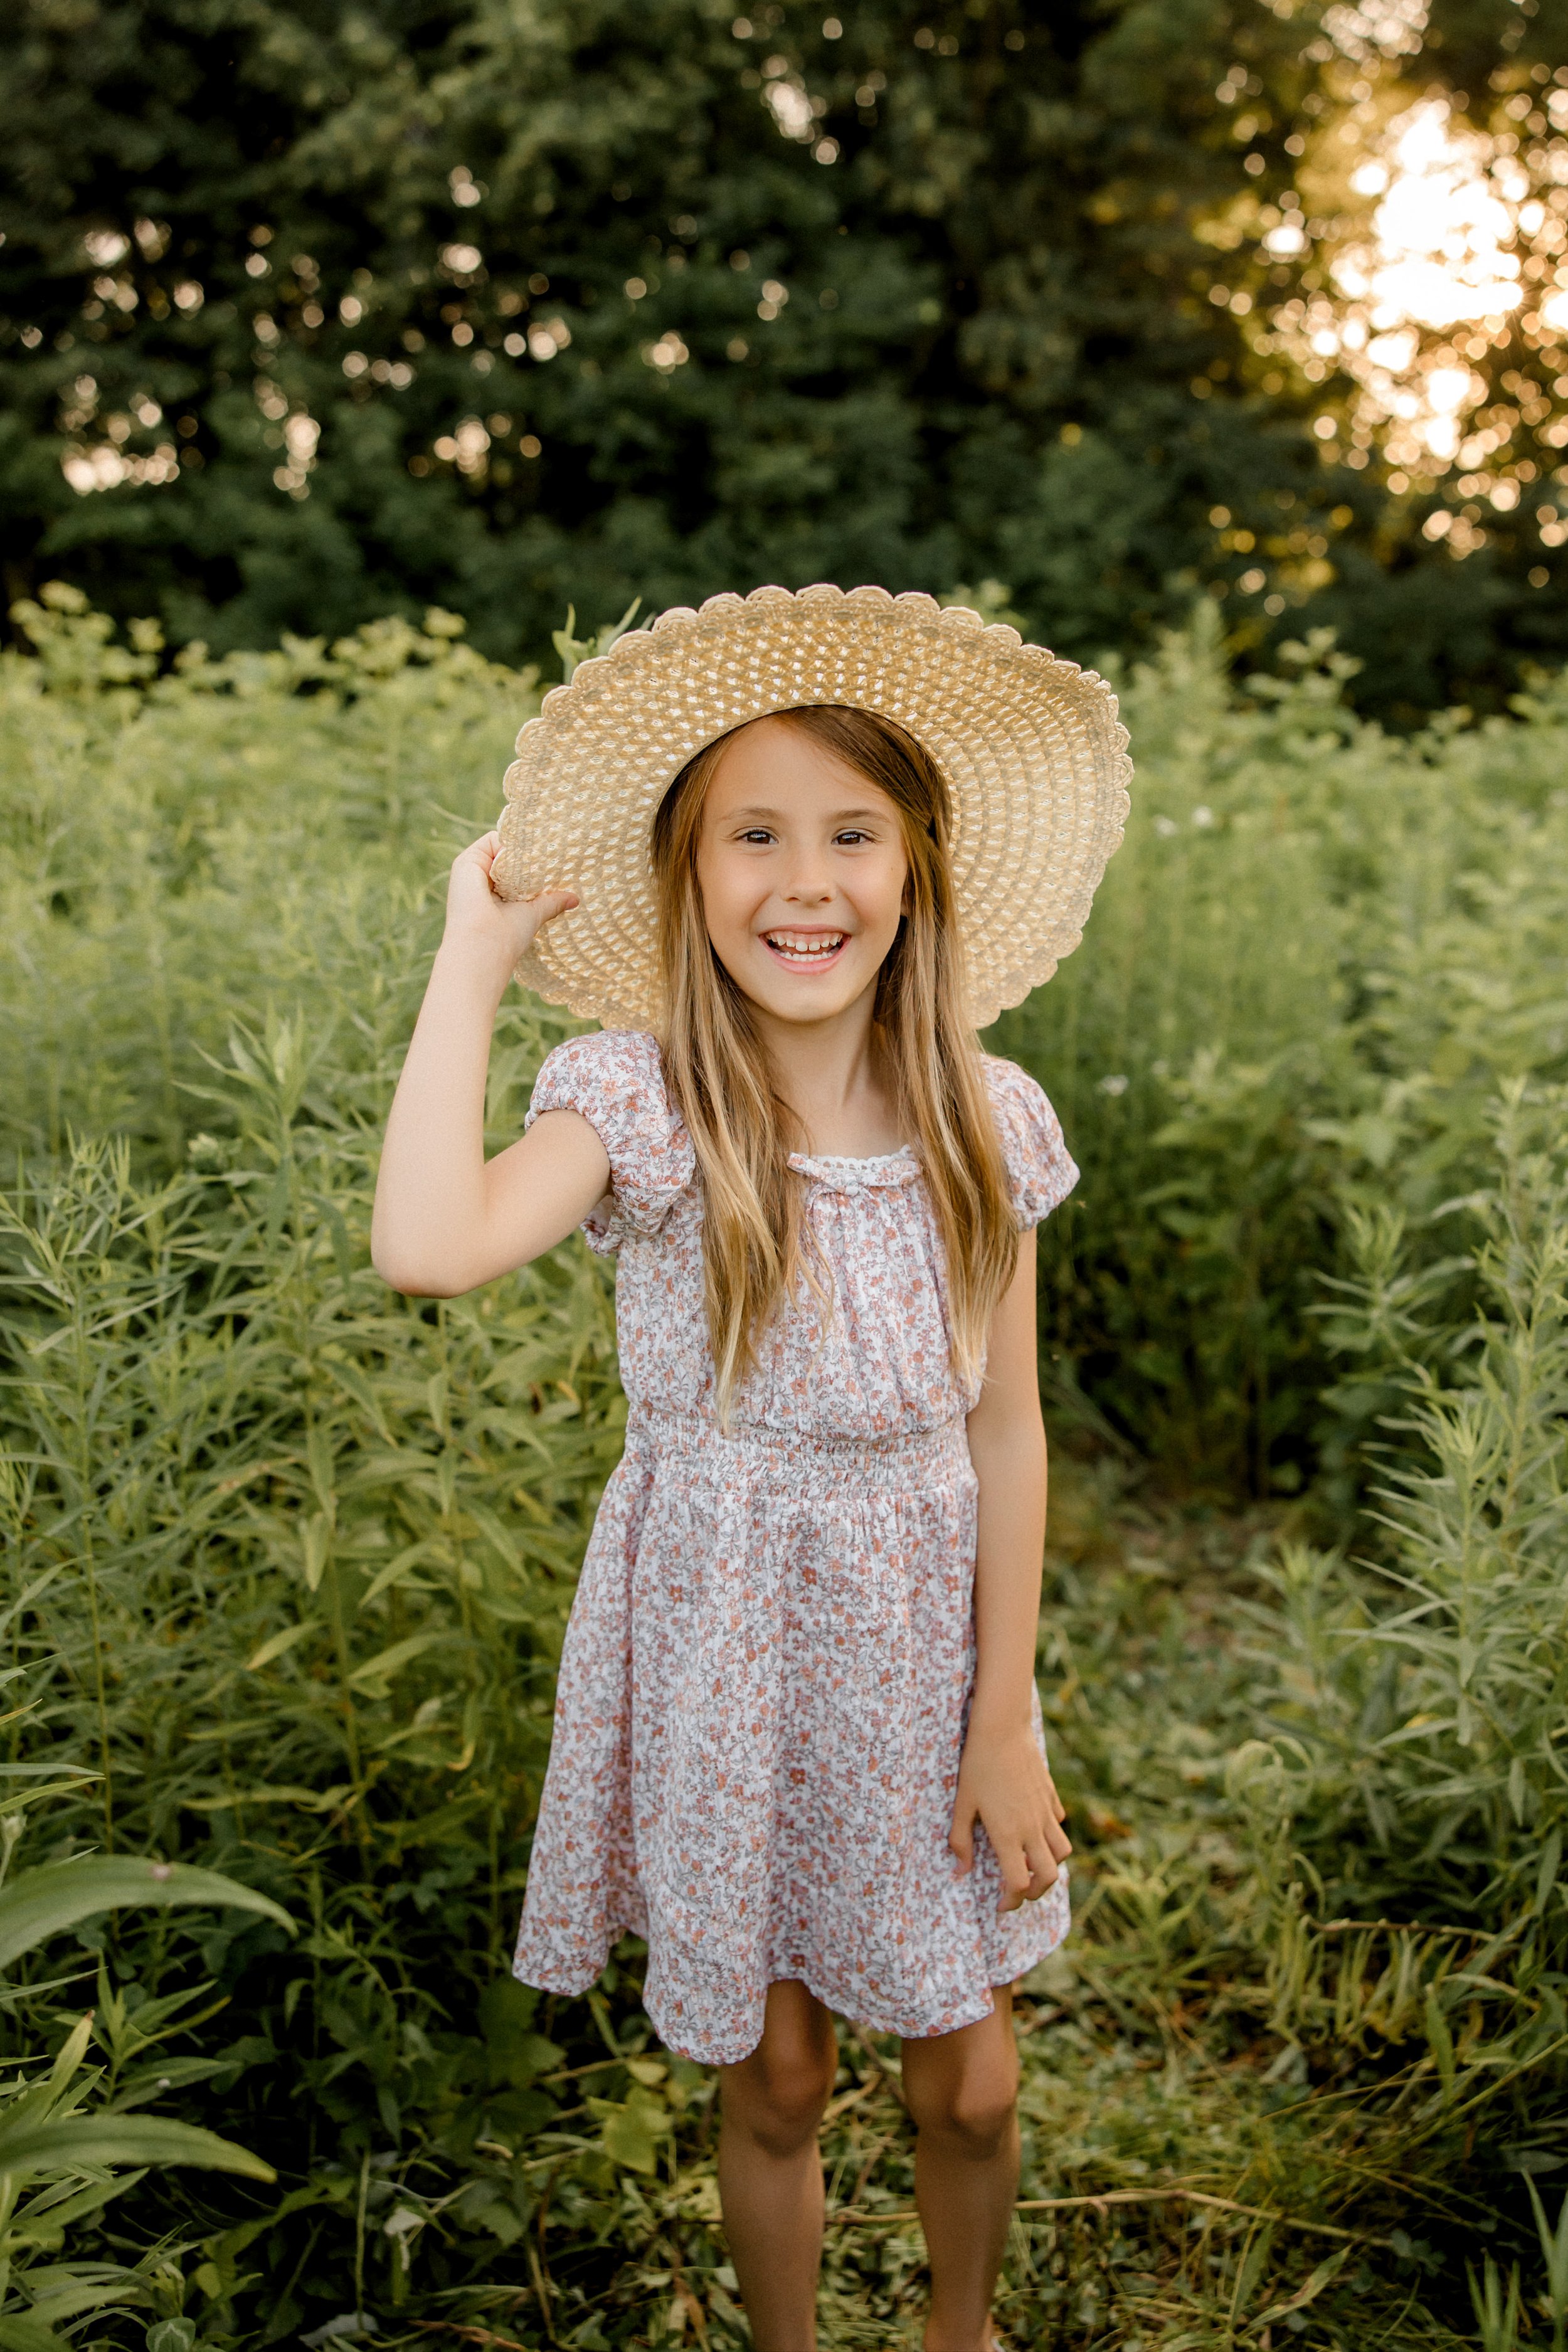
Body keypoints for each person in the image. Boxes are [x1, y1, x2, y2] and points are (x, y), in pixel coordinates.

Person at [372, 585, 1131, 2352]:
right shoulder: (636, 1104)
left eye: (852, 834)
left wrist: (1001, 1712)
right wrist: (465, 963)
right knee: (779, 2078)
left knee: (971, 2084)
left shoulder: (980, 1112)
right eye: (754, 837)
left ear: (918, 868)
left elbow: (1002, 1428)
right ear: (686, 878)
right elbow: (428, 1245)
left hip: (925, 1656)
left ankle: (961, 2333)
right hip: (726, 1650)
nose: (807, 882)